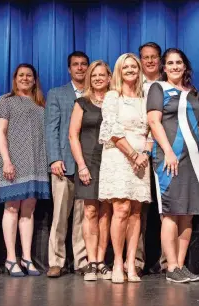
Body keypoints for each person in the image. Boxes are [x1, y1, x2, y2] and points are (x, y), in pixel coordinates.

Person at [147, 48, 199, 283]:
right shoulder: (158, 88)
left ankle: (181, 266)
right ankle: (171, 266)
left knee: (188, 214)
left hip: (193, 161)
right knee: (171, 213)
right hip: (169, 158)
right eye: (170, 63)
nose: (175, 66)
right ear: (164, 67)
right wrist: (167, 151)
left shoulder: (193, 93)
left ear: (185, 66)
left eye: (179, 63)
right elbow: (154, 122)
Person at [98, 53, 152, 283]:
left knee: (137, 212)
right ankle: (117, 261)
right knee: (121, 209)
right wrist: (132, 154)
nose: (130, 70)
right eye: (126, 67)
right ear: (119, 71)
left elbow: (151, 130)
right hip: (119, 157)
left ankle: (131, 262)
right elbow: (113, 131)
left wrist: (145, 154)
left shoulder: (145, 97)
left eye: (134, 66)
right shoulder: (112, 97)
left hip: (142, 158)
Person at [0, 63, 50, 277]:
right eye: (21, 75)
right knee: (11, 208)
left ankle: (26, 258)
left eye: (29, 75)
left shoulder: (40, 105)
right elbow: (0, 133)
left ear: (35, 80)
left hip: (36, 163)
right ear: (15, 79)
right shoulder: (6, 101)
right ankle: (11, 258)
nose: (25, 78)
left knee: (28, 211)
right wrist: (7, 161)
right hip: (14, 163)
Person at [45, 51, 90, 278]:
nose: (80, 68)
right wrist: (54, 158)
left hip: (87, 165)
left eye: (84, 64)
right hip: (63, 164)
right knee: (60, 216)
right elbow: (51, 128)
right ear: (69, 69)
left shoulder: (96, 94)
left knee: (83, 217)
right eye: (76, 65)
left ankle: (82, 261)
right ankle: (56, 261)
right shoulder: (57, 94)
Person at [69, 60, 113, 281]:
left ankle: (101, 261)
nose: (97, 78)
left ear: (109, 77)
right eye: (94, 75)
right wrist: (82, 166)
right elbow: (72, 136)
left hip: (111, 162)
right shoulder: (82, 103)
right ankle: (90, 262)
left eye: (102, 75)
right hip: (88, 162)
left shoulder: (115, 101)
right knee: (90, 212)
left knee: (106, 213)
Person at [137, 41, 166, 275]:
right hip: (138, 155)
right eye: (145, 57)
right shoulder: (133, 86)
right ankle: (137, 261)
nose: (149, 61)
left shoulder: (169, 85)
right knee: (138, 211)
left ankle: (168, 261)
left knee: (167, 210)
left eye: (154, 57)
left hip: (166, 152)